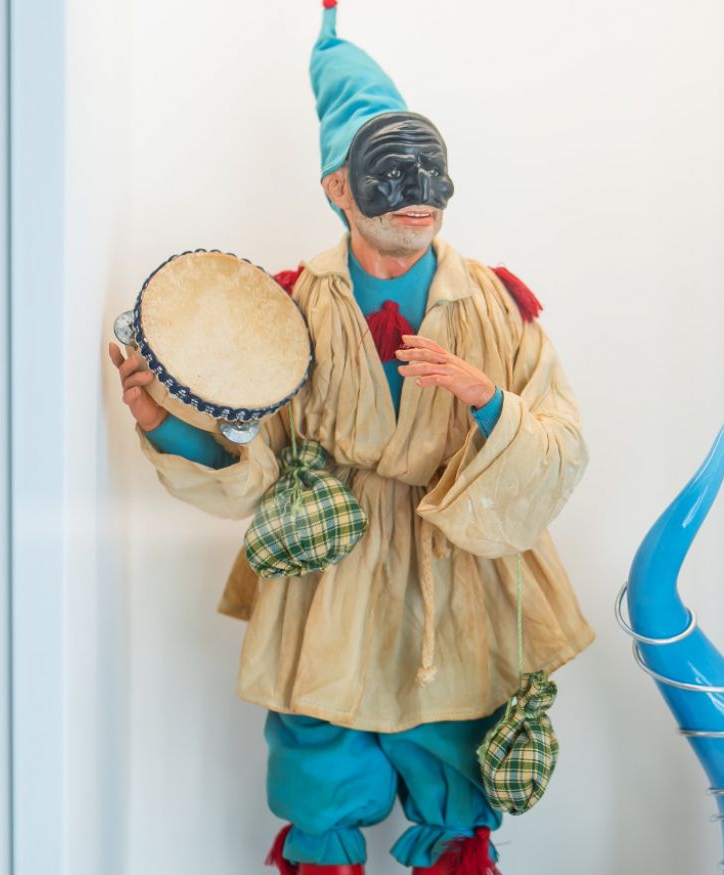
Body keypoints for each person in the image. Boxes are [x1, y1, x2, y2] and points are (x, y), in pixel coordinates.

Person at [106, 4, 593, 874]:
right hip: (330, 571)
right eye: (391, 171)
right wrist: (166, 425)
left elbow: (563, 444)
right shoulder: (288, 304)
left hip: (458, 569)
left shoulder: (499, 307)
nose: (418, 193)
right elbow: (258, 459)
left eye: (432, 169)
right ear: (338, 186)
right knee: (318, 760)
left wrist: (488, 402)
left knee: (454, 754)